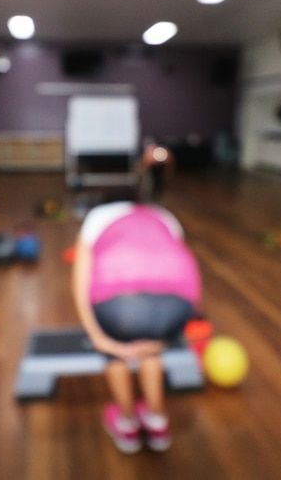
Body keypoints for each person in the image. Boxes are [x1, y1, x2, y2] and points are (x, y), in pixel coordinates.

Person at [70, 176, 201, 453]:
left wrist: (99, 337)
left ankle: (128, 425)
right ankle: (156, 422)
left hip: (121, 305)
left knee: (117, 352)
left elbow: (80, 280)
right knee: (150, 351)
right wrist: (172, 334)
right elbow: (181, 267)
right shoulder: (164, 216)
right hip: (179, 304)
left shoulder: (97, 216)